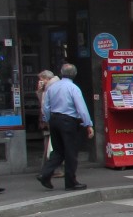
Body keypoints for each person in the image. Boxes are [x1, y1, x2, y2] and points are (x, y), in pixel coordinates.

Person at [38, 62, 94, 191]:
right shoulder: (73, 88)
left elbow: (46, 106)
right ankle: (70, 182)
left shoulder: (52, 87)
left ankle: (45, 174)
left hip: (54, 119)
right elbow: (81, 108)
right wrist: (88, 124)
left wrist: (47, 119)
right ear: (74, 74)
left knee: (57, 150)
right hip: (68, 121)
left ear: (62, 73)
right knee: (70, 152)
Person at [35, 69, 62, 178]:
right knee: (49, 146)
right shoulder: (48, 88)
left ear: (46, 79)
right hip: (50, 120)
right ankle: (48, 170)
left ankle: (50, 170)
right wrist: (40, 90)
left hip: (51, 120)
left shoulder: (52, 87)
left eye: (41, 80)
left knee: (50, 146)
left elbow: (45, 105)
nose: (41, 82)